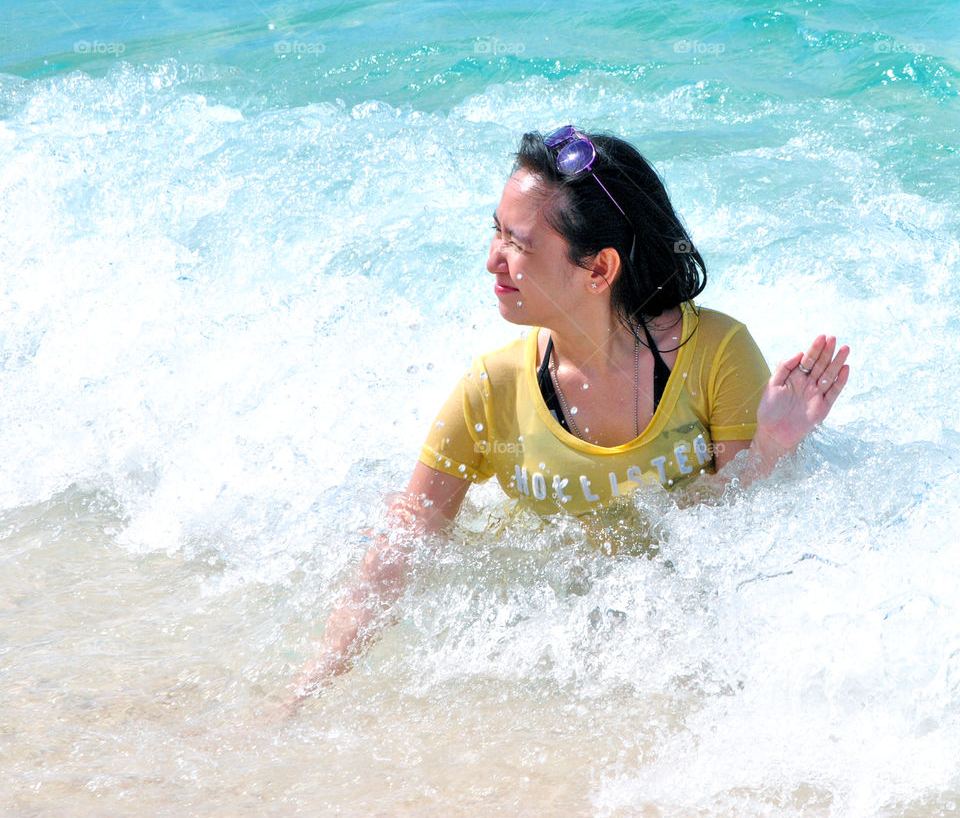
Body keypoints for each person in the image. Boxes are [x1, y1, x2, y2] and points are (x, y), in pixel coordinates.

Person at [288, 126, 850, 708]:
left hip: (680, 649)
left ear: (600, 270)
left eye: (519, 244)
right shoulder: (493, 389)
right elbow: (405, 544)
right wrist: (300, 696)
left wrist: (774, 449)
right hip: (552, 661)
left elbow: (740, 539)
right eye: (496, 232)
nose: (492, 261)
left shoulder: (715, 354)